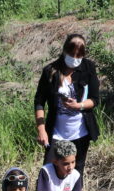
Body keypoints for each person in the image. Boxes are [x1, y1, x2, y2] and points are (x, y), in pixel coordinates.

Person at [33, 33, 100, 175]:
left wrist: (79, 105)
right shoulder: (50, 71)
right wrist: (41, 129)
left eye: (79, 56)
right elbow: (39, 101)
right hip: (56, 133)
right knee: (49, 172)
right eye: (72, 54)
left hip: (80, 132)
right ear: (64, 51)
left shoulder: (88, 67)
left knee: (76, 173)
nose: (75, 59)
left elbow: (95, 99)